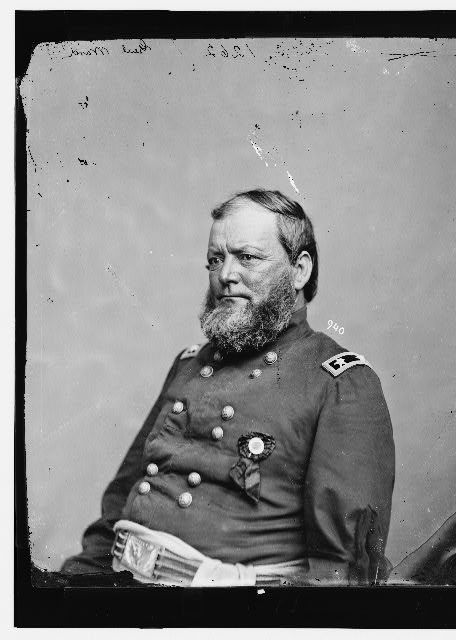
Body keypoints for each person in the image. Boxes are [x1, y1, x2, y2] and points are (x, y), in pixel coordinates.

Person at [61, 189, 395, 586]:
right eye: (216, 259)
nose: (225, 275)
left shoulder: (340, 383)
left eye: (247, 257)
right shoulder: (189, 364)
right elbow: (118, 507)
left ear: (299, 270)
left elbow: (342, 571)